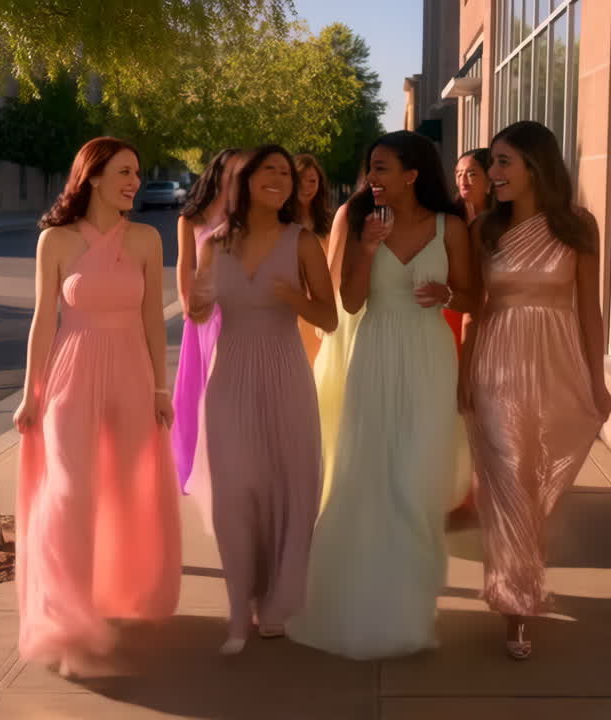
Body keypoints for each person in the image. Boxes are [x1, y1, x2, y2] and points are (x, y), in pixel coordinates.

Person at [286, 131, 471, 660]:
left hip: (430, 358)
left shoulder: (449, 228)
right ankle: (371, 598)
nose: (372, 177)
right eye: (371, 168)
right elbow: (348, 300)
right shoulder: (367, 221)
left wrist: (449, 294)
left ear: (412, 174)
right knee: (370, 476)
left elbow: (477, 292)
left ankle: (412, 603)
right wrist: (366, 249)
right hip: (375, 353)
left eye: (382, 167)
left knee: (416, 480)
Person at [13, 137, 181, 676]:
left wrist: (161, 388)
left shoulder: (147, 239)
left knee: (126, 489)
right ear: (92, 177)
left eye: (137, 172)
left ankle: (115, 596)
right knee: (69, 494)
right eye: (125, 172)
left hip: (132, 373)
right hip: (71, 376)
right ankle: (68, 618)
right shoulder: (56, 242)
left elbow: (154, 318)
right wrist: (29, 393)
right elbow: (44, 321)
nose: (135, 181)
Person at [459, 121, 611, 661]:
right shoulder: (485, 230)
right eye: (492, 163)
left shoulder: (578, 227)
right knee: (506, 482)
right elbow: (476, 310)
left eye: (504, 162)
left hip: (555, 365)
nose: (492, 173)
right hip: (497, 365)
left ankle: (519, 578)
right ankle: (517, 605)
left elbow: (590, 312)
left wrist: (597, 382)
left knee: (532, 485)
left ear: (535, 166)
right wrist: (464, 377)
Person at [186, 144, 337, 655]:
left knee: (288, 487)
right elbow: (200, 314)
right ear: (246, 180)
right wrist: (198, 303)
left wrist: (291, 298)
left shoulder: (303, 241)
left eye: (285, 173)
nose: (279, 178)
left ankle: (277, 604)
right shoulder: (216, 243)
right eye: (268, 170)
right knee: (235, 491)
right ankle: (238, 609)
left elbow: (330, 318)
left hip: (285, 372)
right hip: (228, 376)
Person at [171, 148, 243, 492]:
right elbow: (185, 265)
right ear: (217, 171)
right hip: (203, 314)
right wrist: (188, 306)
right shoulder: (191, 218)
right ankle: (201, 466)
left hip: (239, 312)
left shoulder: (249, 217)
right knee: (202, 390)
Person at [445, 149, 494, 352]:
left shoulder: (501, 221)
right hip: (451, 306)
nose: (463, 180)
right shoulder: (449, 218)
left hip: (490, 311)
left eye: (472, 174)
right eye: (458, 174)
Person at [292, 153, 335, 365]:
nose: (307, 186)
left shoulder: (328, 222)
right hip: (291, 306)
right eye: (301, 180)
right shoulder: (279, 222)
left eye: (312, 181)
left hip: (321, 303)